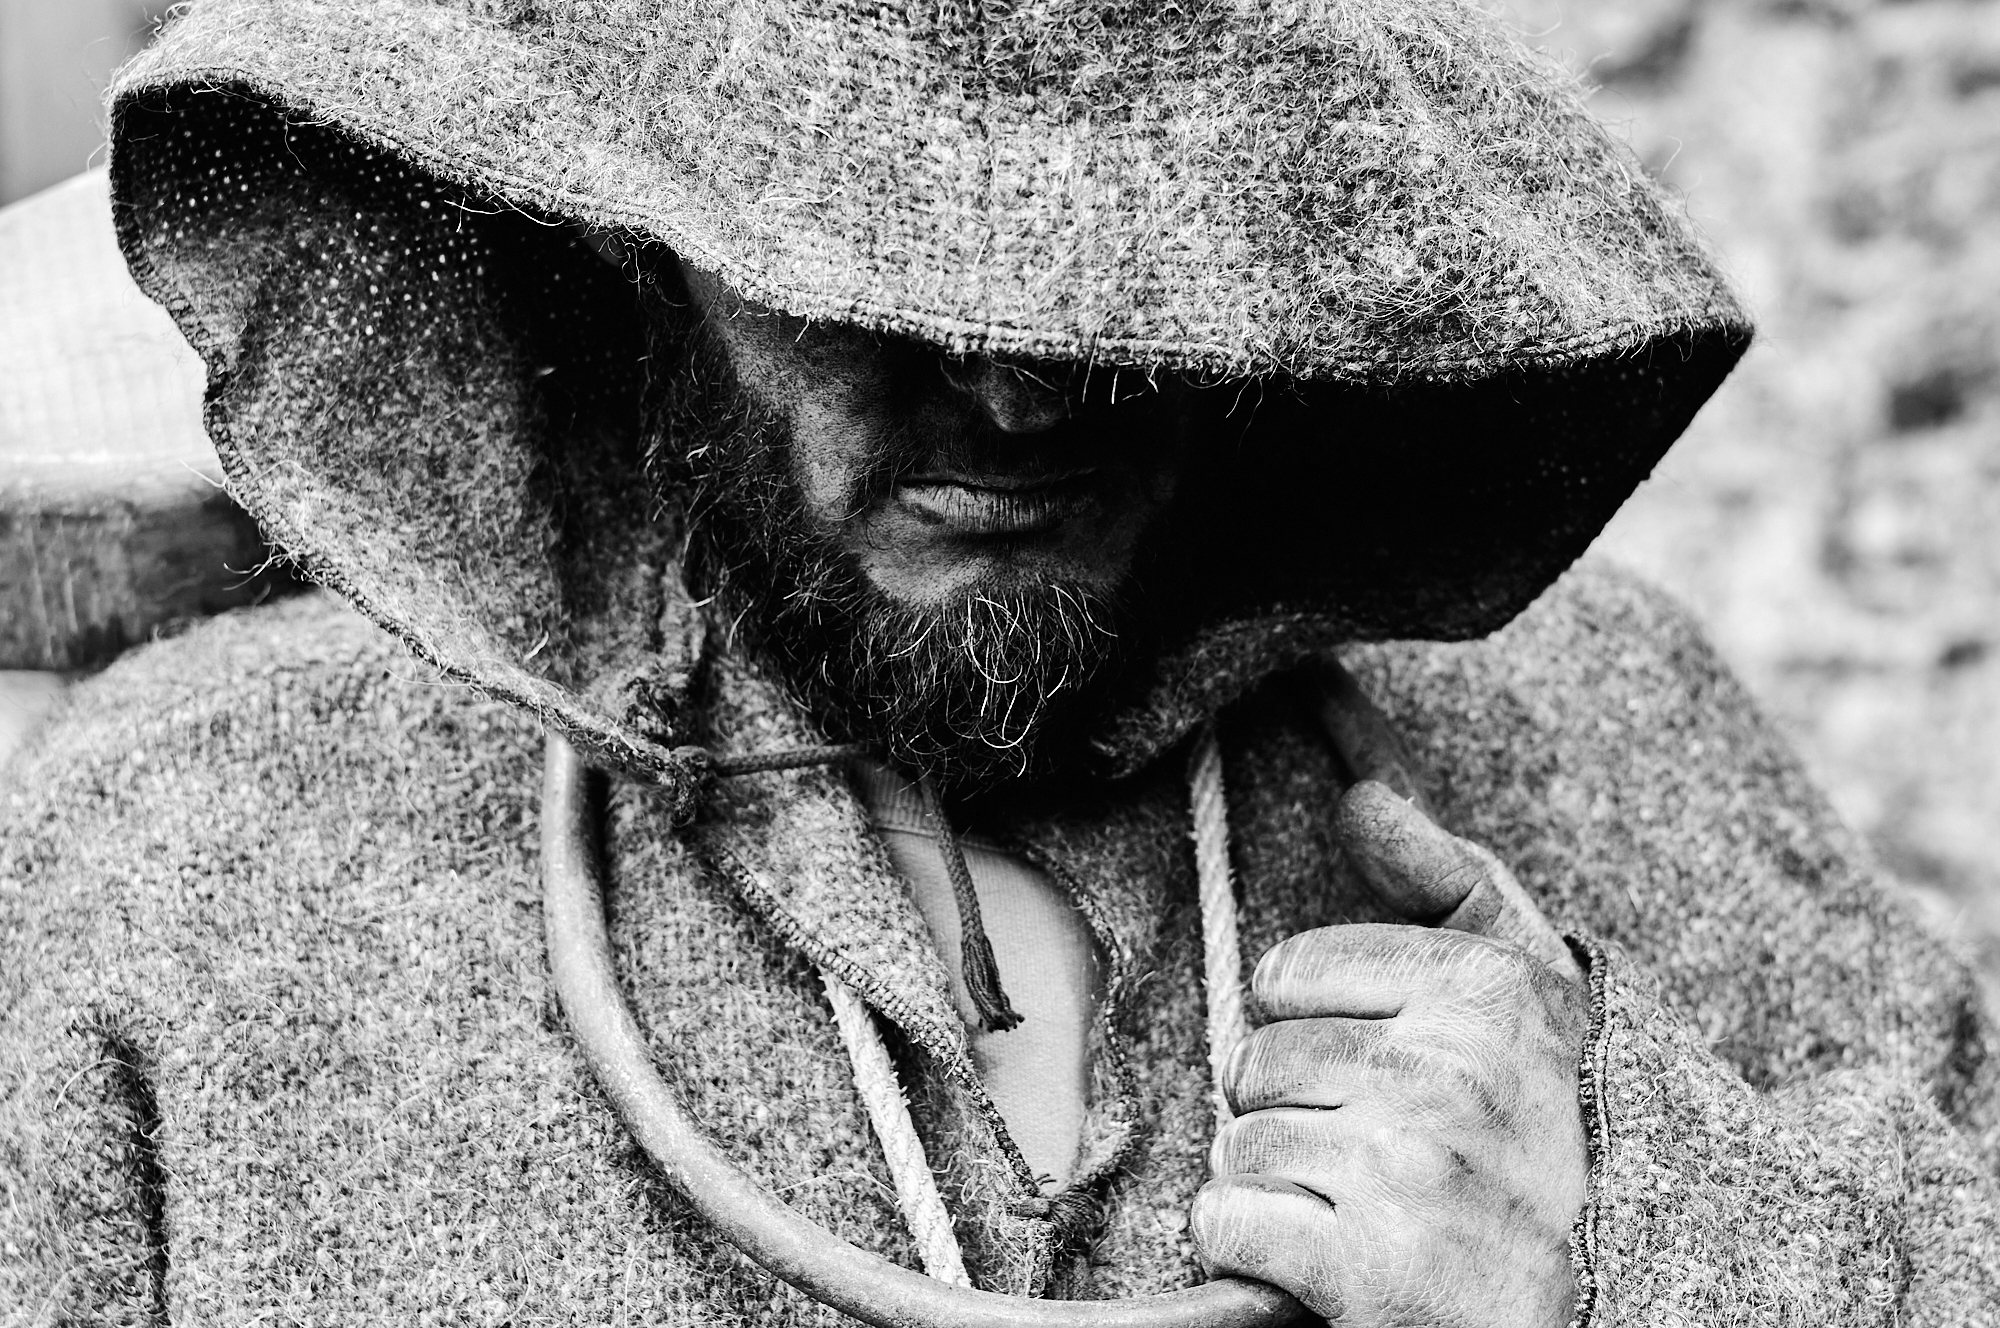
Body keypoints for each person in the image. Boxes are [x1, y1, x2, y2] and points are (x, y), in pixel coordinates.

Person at [3, 0, 1995, 1323]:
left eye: (1128, 286)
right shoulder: (166, 861)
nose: (1024, 386)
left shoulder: (1603, 736)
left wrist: (1643, 1241)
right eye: (888, 286)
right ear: (634, 231)